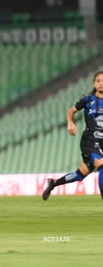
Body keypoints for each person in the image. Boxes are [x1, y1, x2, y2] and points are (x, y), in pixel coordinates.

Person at [43, 71, 103, 200]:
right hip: (90, 141)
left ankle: (53, 183)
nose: (101, 83)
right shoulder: (88, 100)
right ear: (94, 83)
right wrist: (70, 122)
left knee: (80, 175)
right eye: (98, 81)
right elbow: (72, 110)